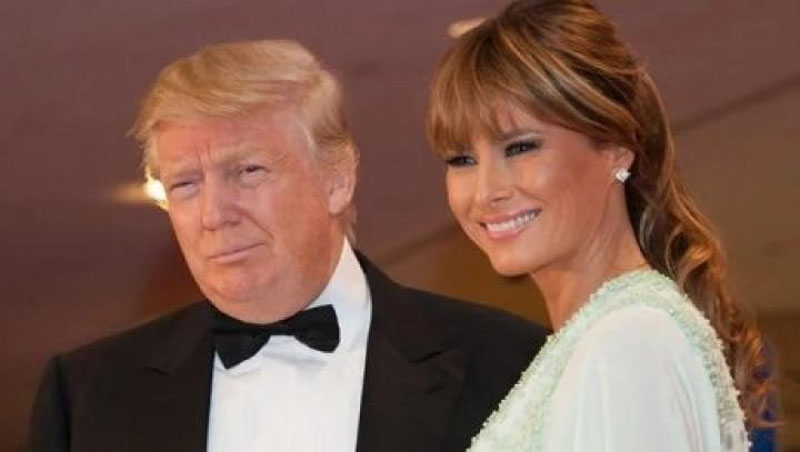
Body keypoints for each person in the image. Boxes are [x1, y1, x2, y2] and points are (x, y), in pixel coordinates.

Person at [27, 39, 548, 452]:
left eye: (248, 171)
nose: (213, 214)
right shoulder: (88, 396)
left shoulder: (514, 367)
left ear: (337, 179)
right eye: (185, 184)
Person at [426, 0, 775, 450]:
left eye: (520, 148)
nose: (484, 191)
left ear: (614, 148)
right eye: (461, 160)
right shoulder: (605, 339)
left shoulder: (626, 344)